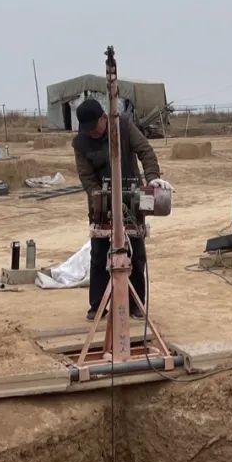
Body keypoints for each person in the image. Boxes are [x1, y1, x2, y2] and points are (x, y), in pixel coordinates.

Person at [72, 98, 173, 321]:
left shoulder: (124, 127)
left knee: (136, 253)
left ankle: (136, 304)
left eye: (95, 128)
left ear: (104, 118)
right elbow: (86, 177)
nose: (92, 133)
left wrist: (152, 179)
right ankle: (97, 305)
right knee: (99, 254)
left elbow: (145, 151)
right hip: (101, 202)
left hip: (132, 198)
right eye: (87, 130)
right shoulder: (80, 143)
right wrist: (100, 199)